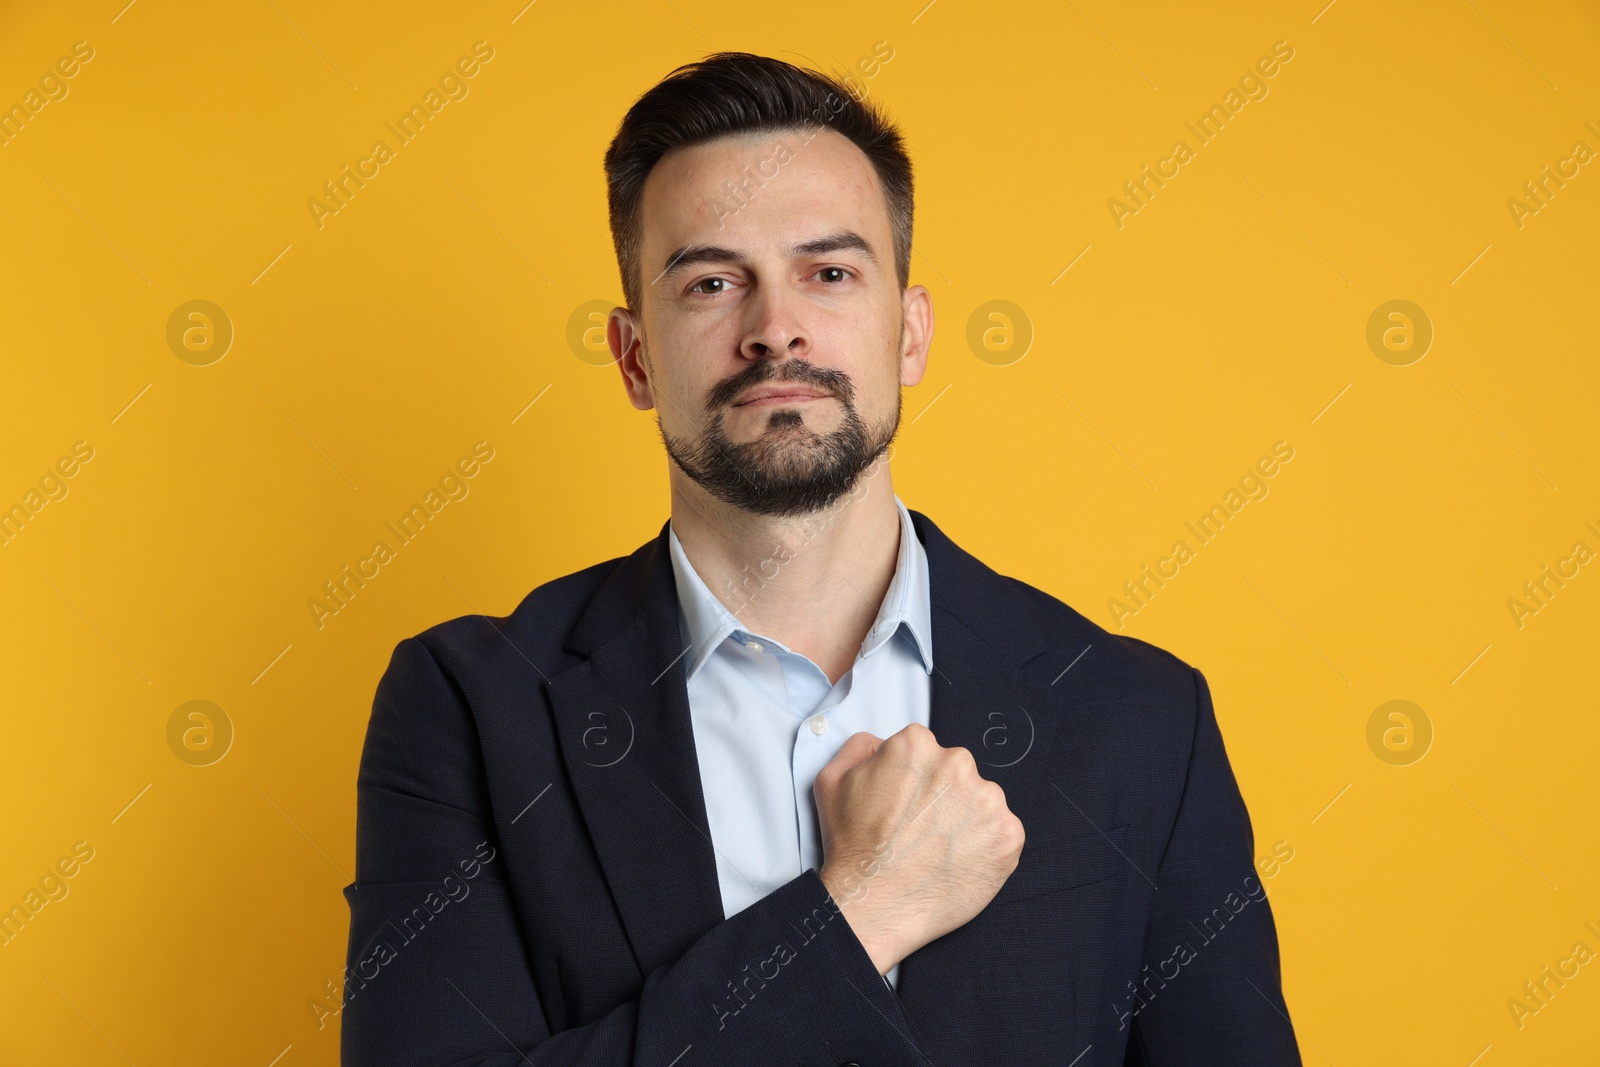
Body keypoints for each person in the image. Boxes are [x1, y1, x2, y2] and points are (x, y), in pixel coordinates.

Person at [341, 51, 1302, 1066]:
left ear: (910, 335)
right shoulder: (471, 706)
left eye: (829, 272)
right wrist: (853, 914)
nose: (774, 329)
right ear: (634, 357)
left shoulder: (1138, 715)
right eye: (712, 282)